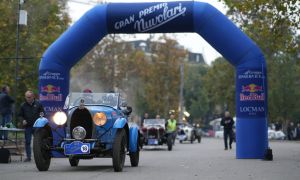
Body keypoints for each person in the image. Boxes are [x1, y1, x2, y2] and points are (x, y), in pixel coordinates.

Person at [18, 90, 44, 162]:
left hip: (37, 126)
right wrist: (22, 120)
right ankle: (28, 157)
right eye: (26, 97)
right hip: (28, 126)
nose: (28, 99)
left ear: (33, 97)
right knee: (28, 142)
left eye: (29, 97)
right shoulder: (23, 105)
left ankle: (40, 155)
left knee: (38, 141)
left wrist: (41, 119)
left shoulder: (38, 104)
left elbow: (42, 113)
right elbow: (20, 115)